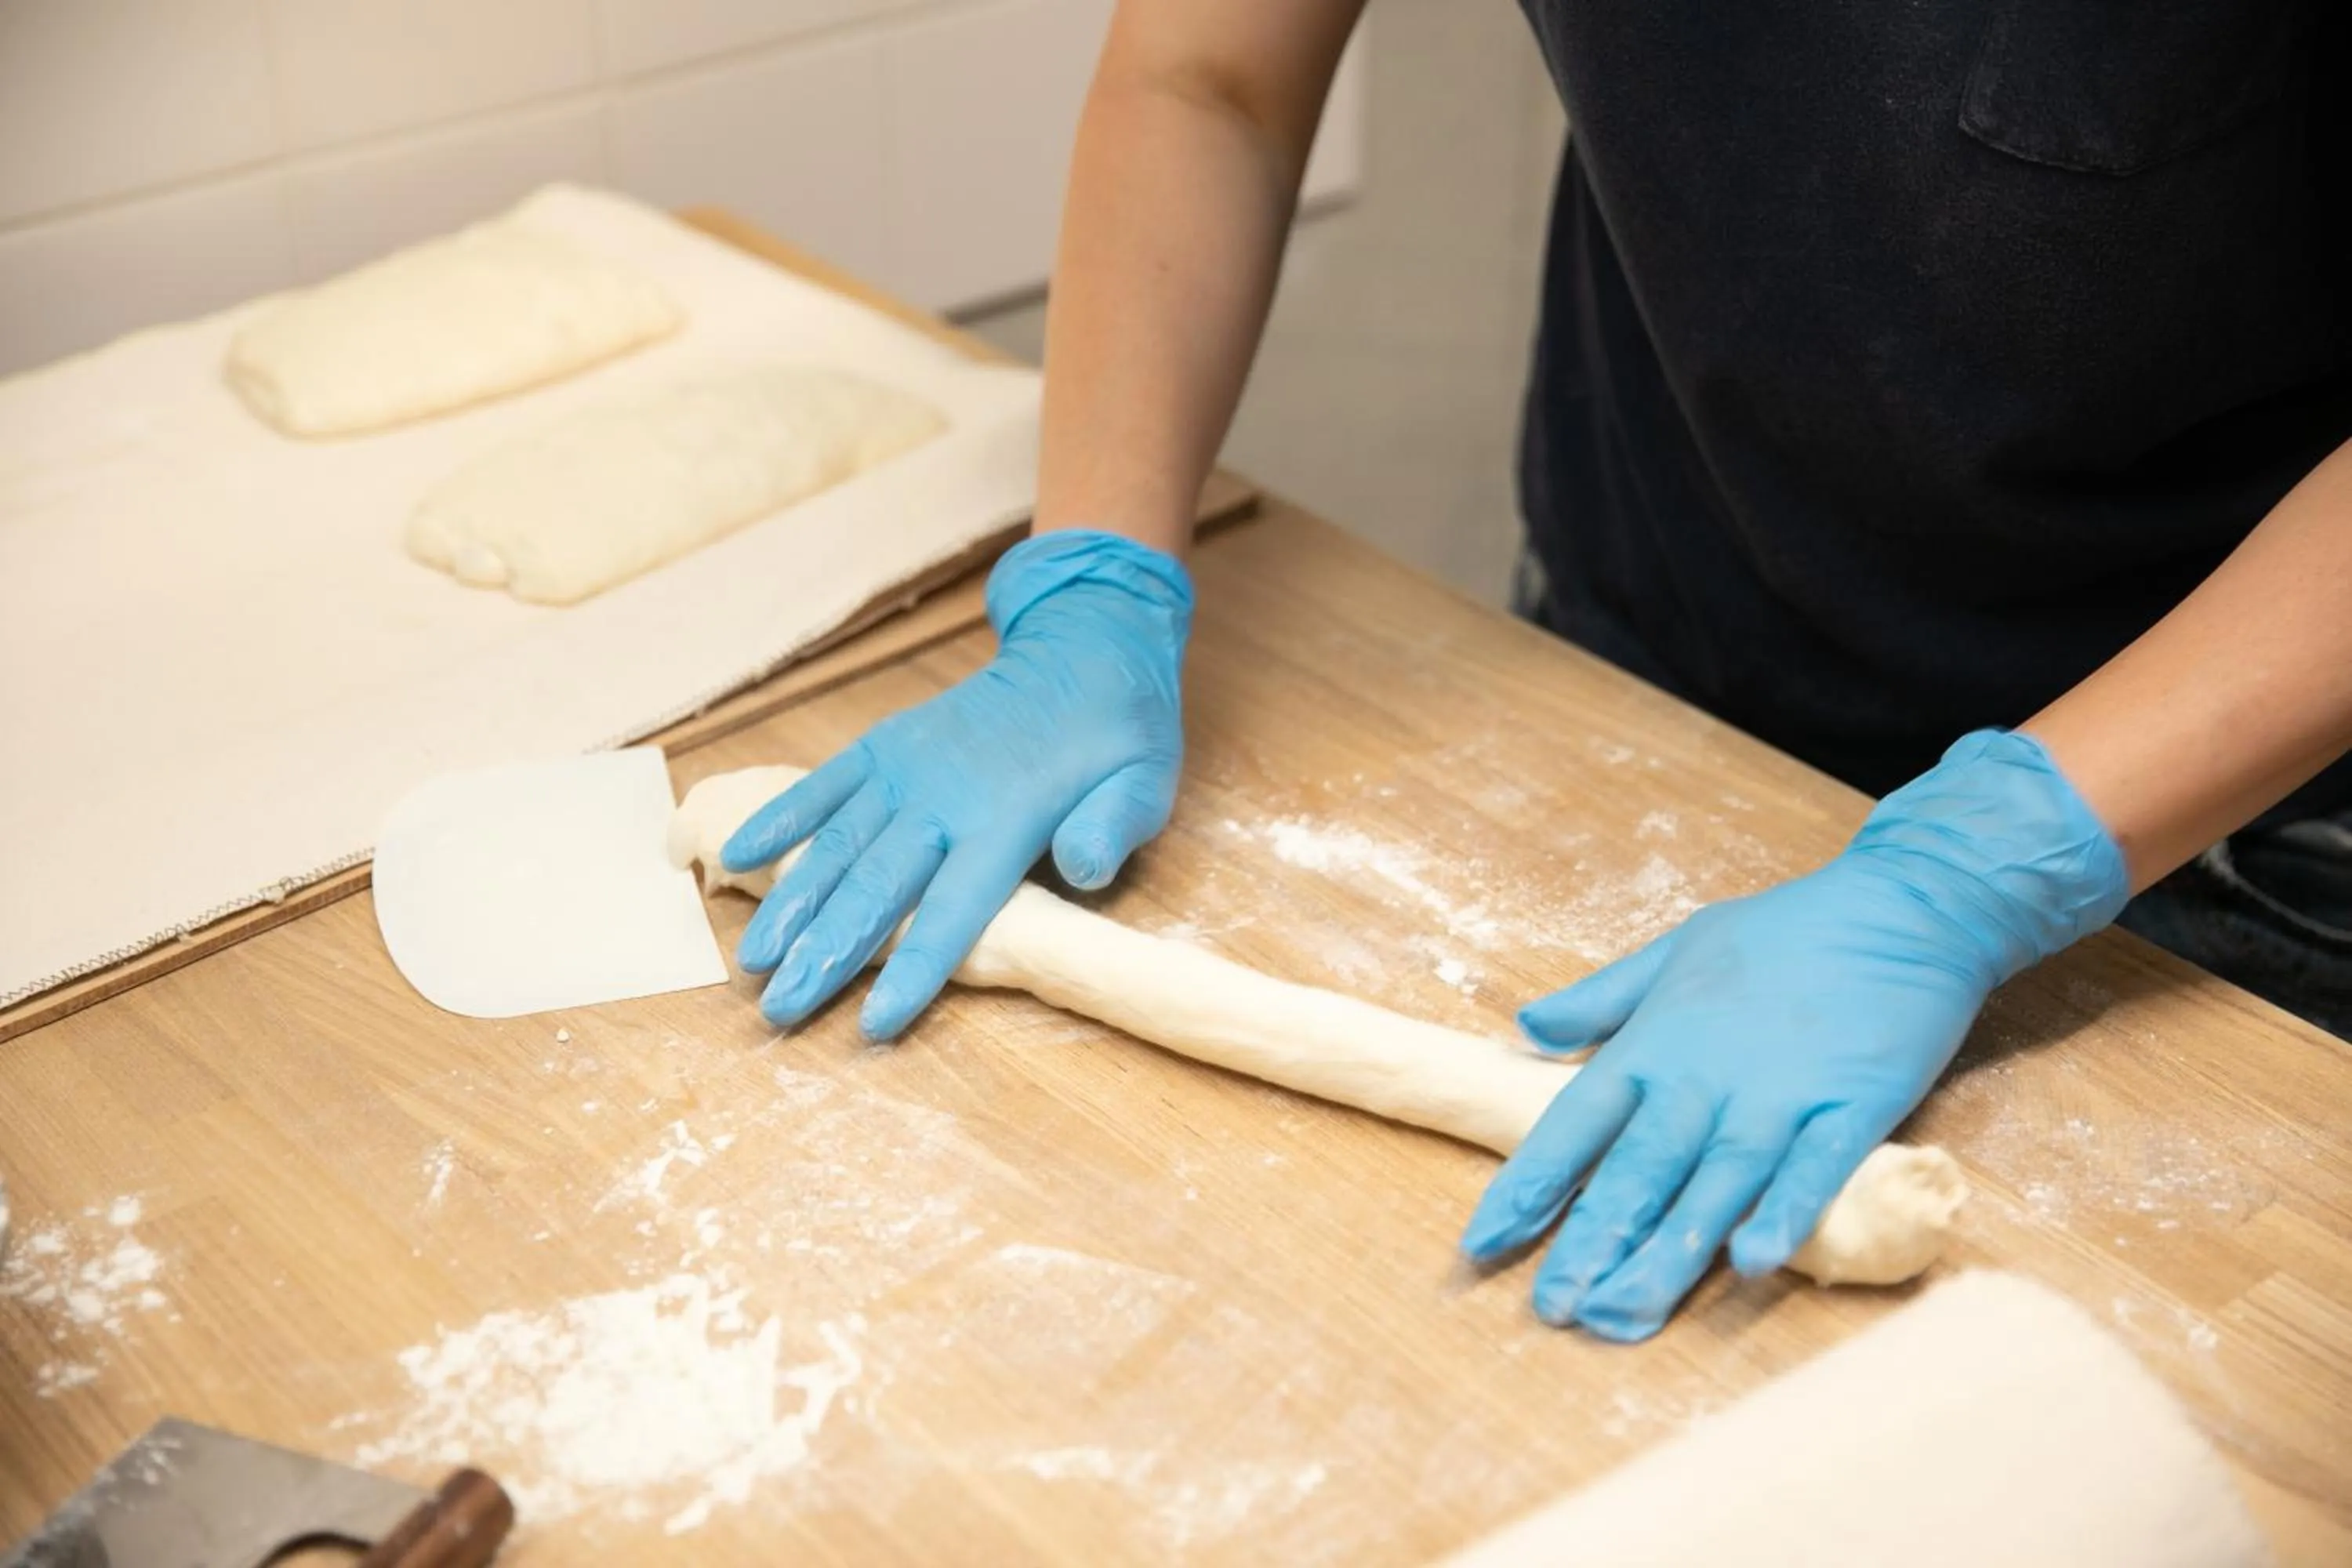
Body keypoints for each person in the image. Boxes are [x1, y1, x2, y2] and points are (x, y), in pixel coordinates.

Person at [720, 2, 2352, 1341]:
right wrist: (1093, 575)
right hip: (1660, 635)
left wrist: (1979, 863)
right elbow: (1205, 73)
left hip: (2233, 794)